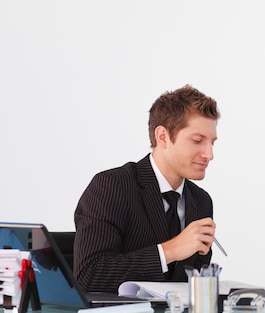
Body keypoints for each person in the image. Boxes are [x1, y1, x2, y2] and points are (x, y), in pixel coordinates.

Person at [74, 85, 221, 293]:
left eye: (212, 143)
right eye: (197, 141)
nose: (209, 154)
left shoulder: (201, 201)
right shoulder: (112, 186)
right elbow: (88, 275)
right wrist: (169, 251)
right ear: (162, 137)